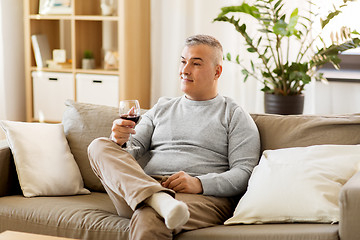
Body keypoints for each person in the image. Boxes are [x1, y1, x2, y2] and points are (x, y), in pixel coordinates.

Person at [88, 34, 260, 240]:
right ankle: (158, 199)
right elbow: (131, 151)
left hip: (200, 198)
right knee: (99, 145)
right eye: (183, 62)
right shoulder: (162, 107)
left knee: (151, 218)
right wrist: (120, 141)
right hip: (139, 189)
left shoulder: (234, 114)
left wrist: (199, 183)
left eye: (196, 63)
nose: (185, 70)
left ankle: (158, 202)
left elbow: (245, 172)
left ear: (217, 71)